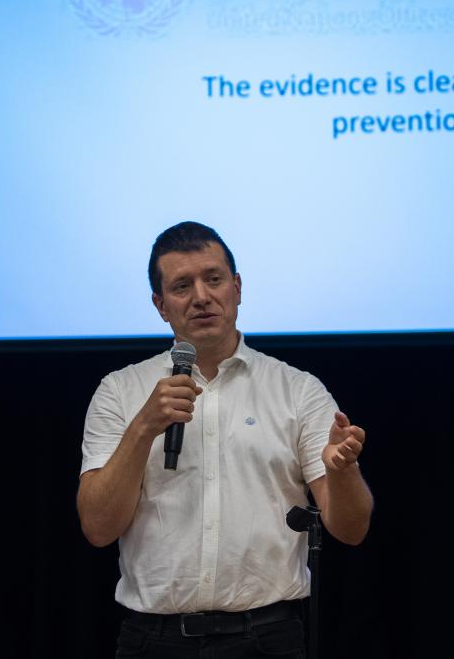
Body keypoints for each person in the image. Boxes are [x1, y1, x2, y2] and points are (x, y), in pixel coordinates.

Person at [77, 221, 373, 659]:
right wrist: (143, 428)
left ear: (236, 288)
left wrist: (342, 471)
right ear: (160, 305)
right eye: (182, 286)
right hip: (153, 641)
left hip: (268, 639)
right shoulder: (120, 391)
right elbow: (98, 529)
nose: (201, 296)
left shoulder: (297, 390)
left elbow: (351, 530)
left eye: (213, 279)